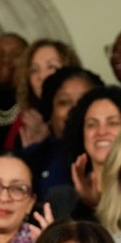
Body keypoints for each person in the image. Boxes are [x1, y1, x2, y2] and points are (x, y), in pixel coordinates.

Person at [21, 66, 103, 215]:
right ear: (50, 113)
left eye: (85, 100)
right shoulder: (34, 160)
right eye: (64, 102)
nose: (75, 108)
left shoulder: (115, 155)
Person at [62, 85, 121, 214]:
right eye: (92, 124)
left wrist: (97, 203)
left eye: (112, 123)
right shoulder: (62, 198)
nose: (101, 132)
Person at [9, 39, 81, 151]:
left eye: (52, 67)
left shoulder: (84, 114)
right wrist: (33, 149)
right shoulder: (25, 121)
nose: (42, 76)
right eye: (34, 70)